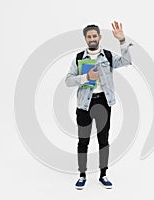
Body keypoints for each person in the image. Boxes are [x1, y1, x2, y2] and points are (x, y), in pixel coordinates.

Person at [65, 21, 133, 190]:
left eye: (95, 35)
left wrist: (122, 40)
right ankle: (82, 175)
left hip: (103, 102)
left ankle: (103, 174)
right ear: (85, 39)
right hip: (84, 105)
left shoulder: (108, 56)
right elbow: (68, 80)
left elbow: (127, 61)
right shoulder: (79, 58)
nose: (92, 38)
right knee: (83, 141)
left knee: (103, 140)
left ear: (99, 37)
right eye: (89, 36)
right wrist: (86, 77)